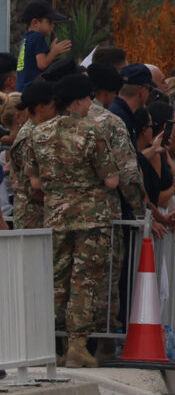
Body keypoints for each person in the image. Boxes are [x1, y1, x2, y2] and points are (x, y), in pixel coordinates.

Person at [28, 70, 132, 369]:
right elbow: (112, 180)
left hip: (56, 217)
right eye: (88, 98)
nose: (90, 104)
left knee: (56, 281)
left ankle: (53, 345)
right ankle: (77, 347)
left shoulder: (39, 133)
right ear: (79, 100)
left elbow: (35, 183)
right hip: (91, 219)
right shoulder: (91, 132)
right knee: (84, 283)